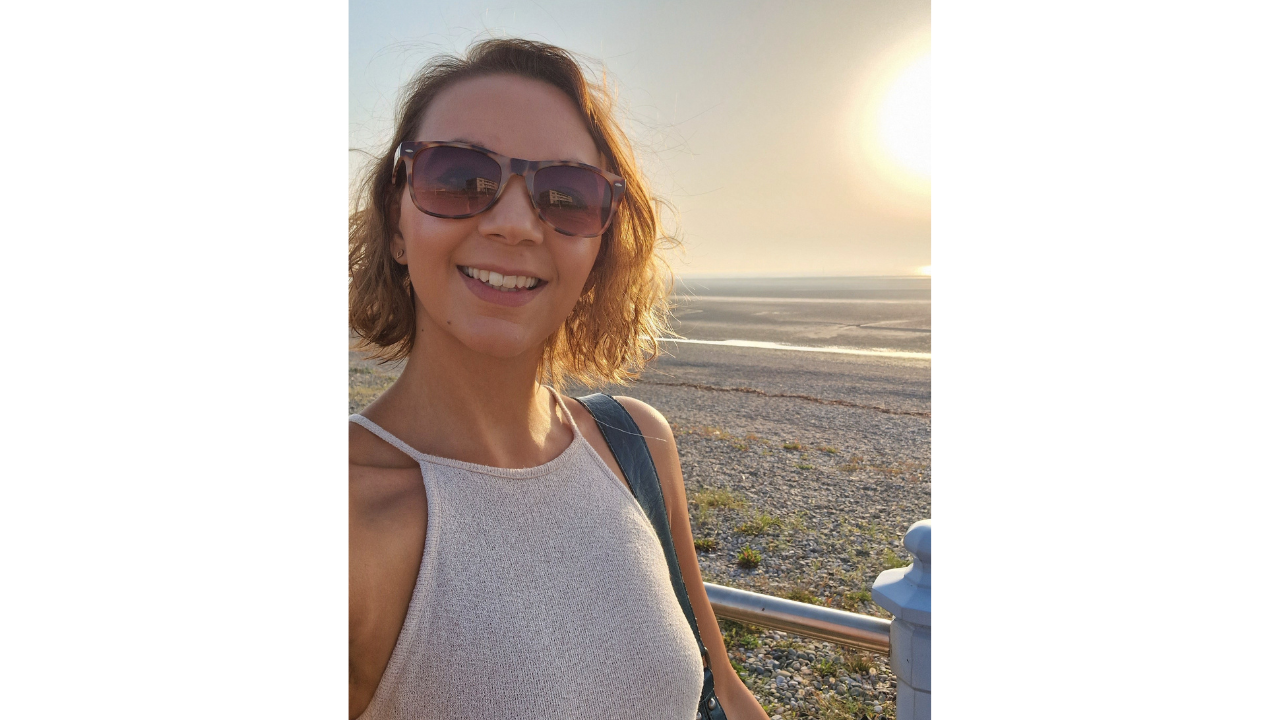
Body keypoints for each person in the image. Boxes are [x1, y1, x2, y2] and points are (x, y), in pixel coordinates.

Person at [348, 38, 770, 720]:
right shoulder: (350, 527)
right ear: (397, 224)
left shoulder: (635, 443)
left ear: (600, 244)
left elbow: (723, 693)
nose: (514, 224)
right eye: (459, 178)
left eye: (567, 195)